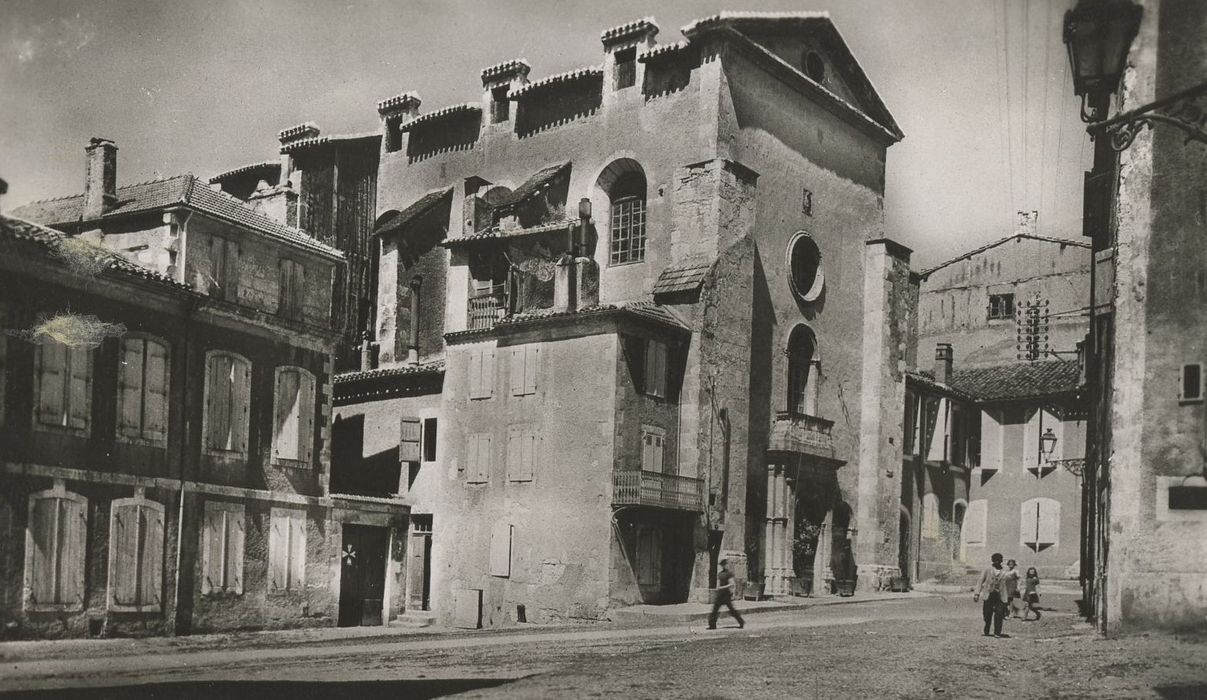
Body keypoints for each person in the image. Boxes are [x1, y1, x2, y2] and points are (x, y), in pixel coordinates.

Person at [973, 552, 1008, 637]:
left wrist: (1009, 597)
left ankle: (997, 632)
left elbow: (1008, 584)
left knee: (999, 613)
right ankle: (987, 626)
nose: (996, 562)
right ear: (992, 561)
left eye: (998, 561)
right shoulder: (988, 569)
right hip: (989, 594)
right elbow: (981, 581)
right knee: (987, 613)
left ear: (1001, 561)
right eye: (995, 560)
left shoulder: (1004, 571)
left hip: (1000, 595)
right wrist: (977, 593)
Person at [707, 559, 745, 630]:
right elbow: (718, 584)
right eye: (724, 565)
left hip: (726, 595)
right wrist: (718, 588)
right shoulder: (720, 574)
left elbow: (732, 583)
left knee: (732, 610)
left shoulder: (729, 574)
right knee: (715, 609)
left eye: (726, 564)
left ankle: (741, 622)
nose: (726, 566)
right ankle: (712, 625)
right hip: (720, 594)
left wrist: (722, 587)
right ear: (722, 566)